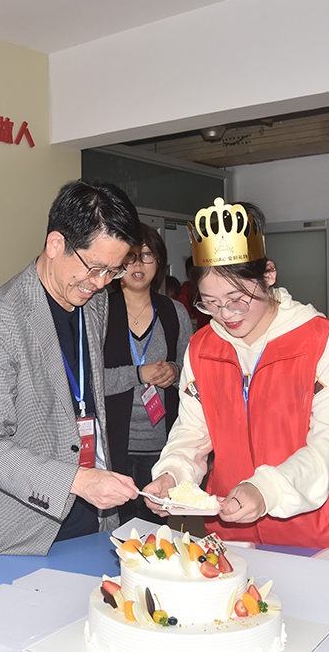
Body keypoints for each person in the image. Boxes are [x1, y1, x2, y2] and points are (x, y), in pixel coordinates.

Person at [143, 198, 329, 550]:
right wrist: (173, 474)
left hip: (315, 527)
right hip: (232, 526)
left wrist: (267, 490)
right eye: (210, 302)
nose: (226, 314)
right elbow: (193, 431)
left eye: (237, 299)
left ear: (269, 275)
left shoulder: (318, 338)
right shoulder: (203, 347)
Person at [0, 179, 143, 561]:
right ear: (56, 244)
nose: (100, 283)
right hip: (18, 533)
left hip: (92, 521)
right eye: (95, 268)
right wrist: (75, 480)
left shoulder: (93, 302)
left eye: (113, 271)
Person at [103, 224, 192, 524]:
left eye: (147, 255)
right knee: (113, 530)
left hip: (163, 447)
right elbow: (91, 382)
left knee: (156, 530)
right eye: (129, 256)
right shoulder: (99, 311)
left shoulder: (175, 312)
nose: (138, 264)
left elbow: (193, 376)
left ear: (159, 262)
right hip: (114, 445)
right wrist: (139, 373)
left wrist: (175, 371)